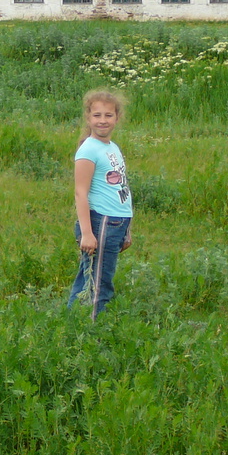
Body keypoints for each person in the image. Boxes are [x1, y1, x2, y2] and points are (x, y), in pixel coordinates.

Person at [66, 89, 133, 319]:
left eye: (108, 115)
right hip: (101, 222)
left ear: (117, 117)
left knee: (93, 277)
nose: (102, 120)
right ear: (88, 117)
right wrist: (87, 233)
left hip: (116, 223)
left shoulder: (112, 147)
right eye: (97, 115)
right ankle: (89, 333)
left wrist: (127, 228)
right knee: (98, 283)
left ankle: (74, 322)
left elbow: (120, 187)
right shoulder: (89, 150)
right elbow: (80, 193)